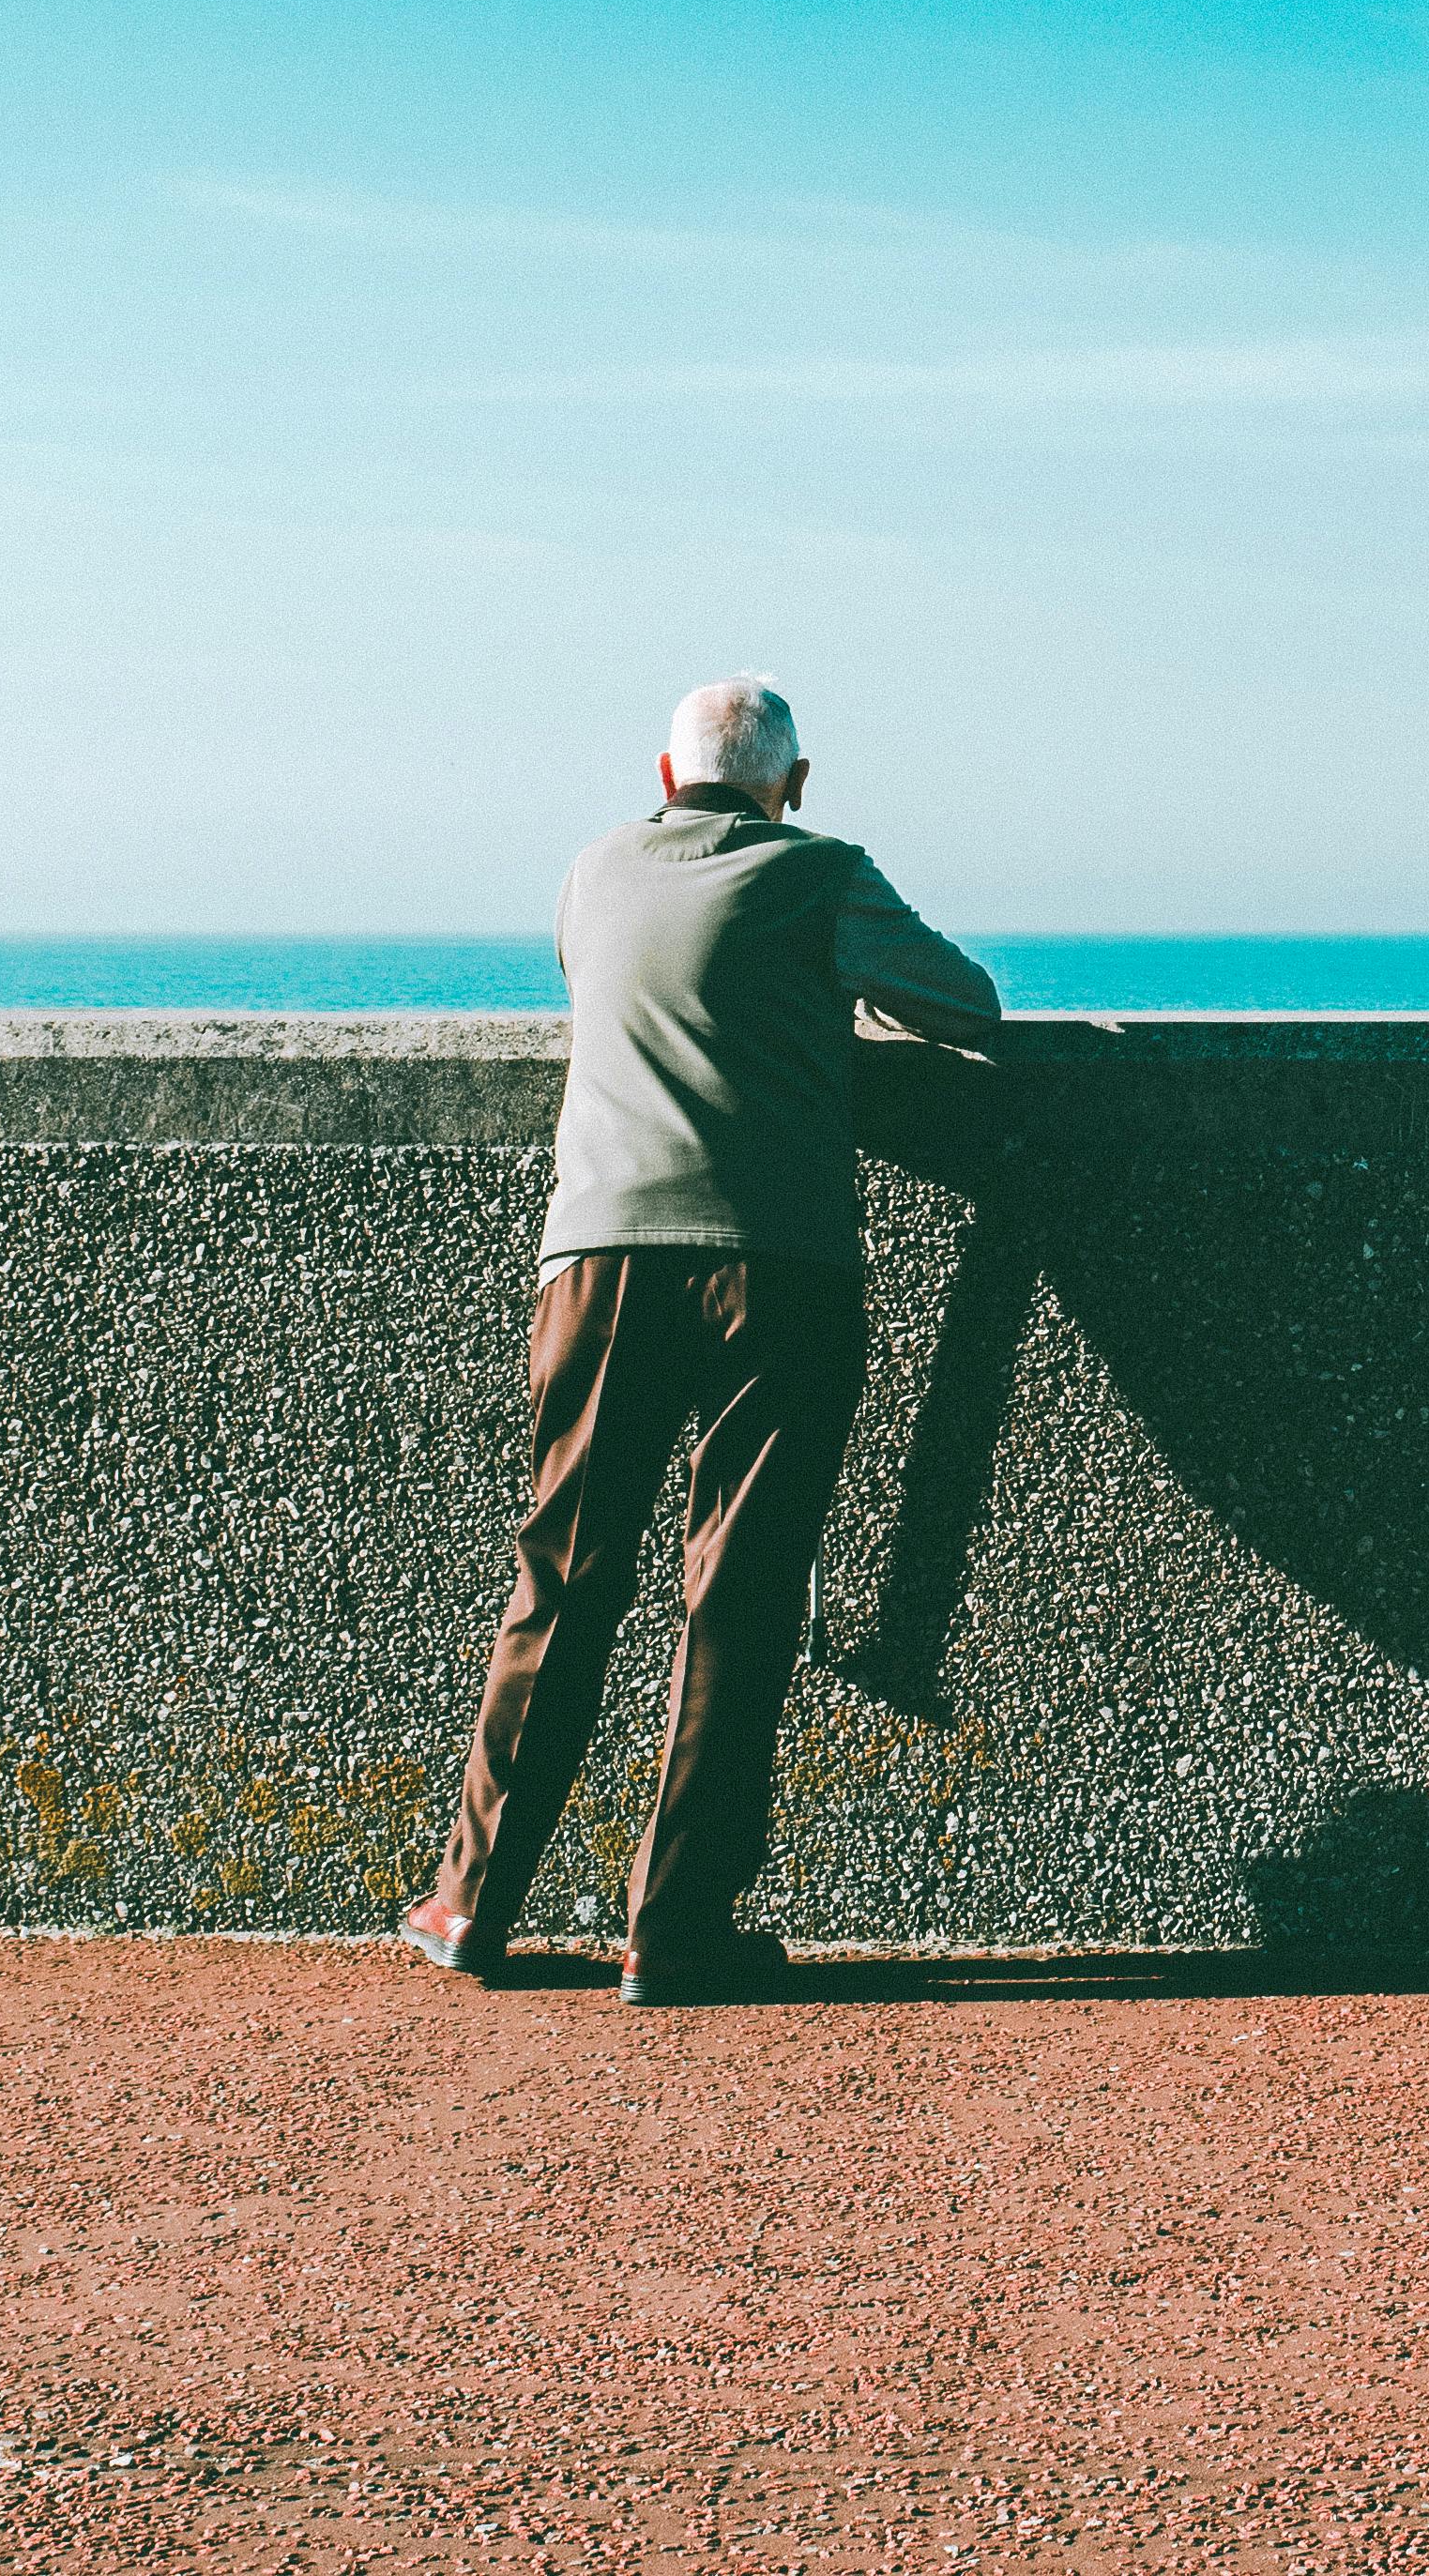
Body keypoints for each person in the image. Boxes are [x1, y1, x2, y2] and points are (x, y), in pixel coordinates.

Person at [400, 678, 1001, 2005]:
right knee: (735, 1595)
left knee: (563, 1572)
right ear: (795, 782)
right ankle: (674, 1930)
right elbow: (969, 1005)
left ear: (664, 777)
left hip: (600, 1258)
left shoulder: (593, 871)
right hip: (774, 1265)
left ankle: (468, 1902)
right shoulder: (821, 872)